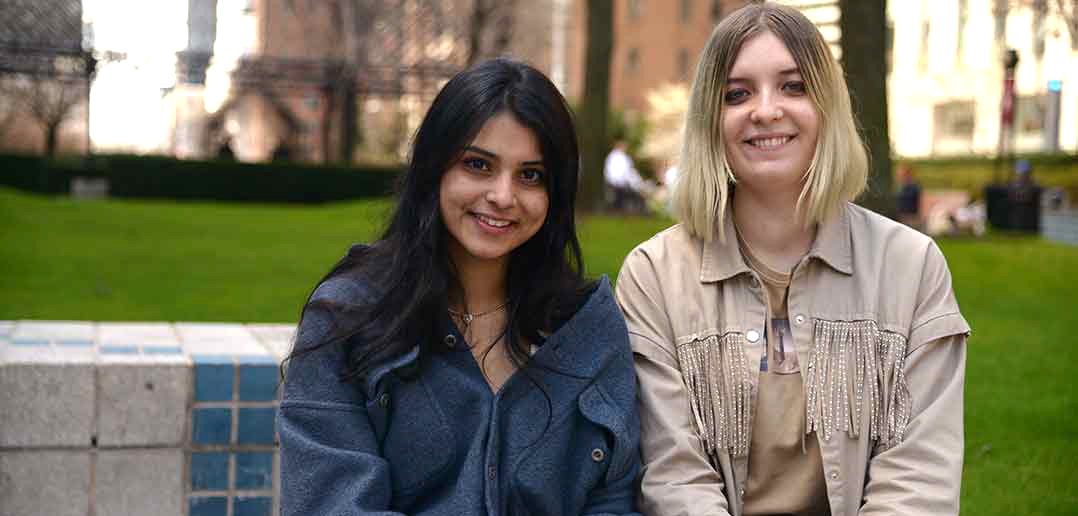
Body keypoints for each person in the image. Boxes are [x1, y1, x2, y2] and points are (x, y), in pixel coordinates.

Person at [615, 4, 970, 516]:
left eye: (793, 86)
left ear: (828, 105)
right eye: (736, 94)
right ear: (709, 121)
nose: (765, 110)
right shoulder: (653, 277)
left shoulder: (912, 268)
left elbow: (918, 482)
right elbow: (675, 479)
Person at [278, 58, 641, 516]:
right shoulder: (347, 317)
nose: (503, 196)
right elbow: (330, 505)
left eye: (531, 175)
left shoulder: (588, 329)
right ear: (435, 168)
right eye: (478, 165)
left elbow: (615, 500)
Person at [604, 140, 648, 213]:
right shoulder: (615, 157)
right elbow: (623, 171)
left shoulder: (622, 157)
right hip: (618, 182)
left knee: (621, 199)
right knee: (620, 199)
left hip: (620, 182)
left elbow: (629, 171)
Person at [895, 163, 922, 229]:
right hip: (902, 217)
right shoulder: (900, 187)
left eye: (902, 174)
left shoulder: (914, 187)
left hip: (911, 217)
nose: (900, 177)